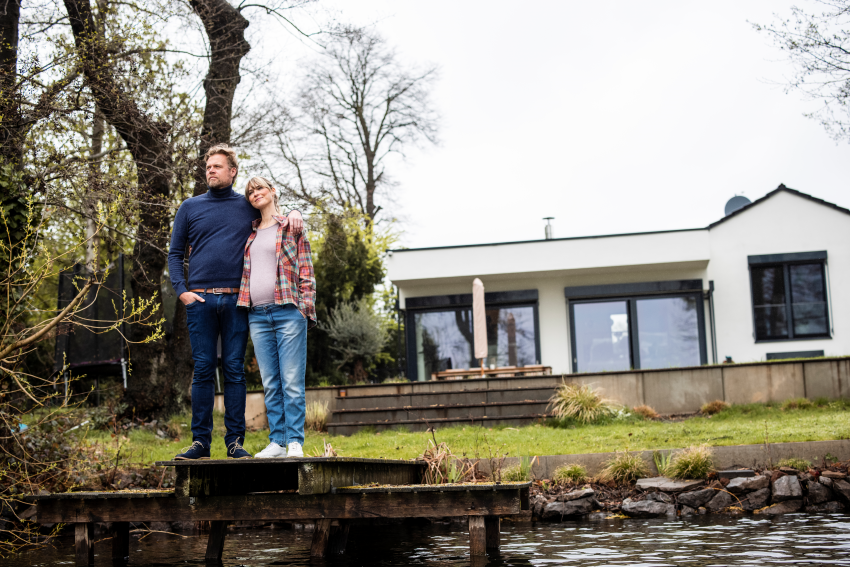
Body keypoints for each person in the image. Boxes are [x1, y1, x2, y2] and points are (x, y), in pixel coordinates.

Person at [169, 145, 303, 460]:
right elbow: (175, 255)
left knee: (234, 370)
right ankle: (200, 443)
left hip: (237, 302)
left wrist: (295, 212)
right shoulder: (189, 207)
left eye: (217, 166)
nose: (211, 171)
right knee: (203, 368)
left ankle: (234, 443)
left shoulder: (246, 206)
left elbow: (275, 215)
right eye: (208, 167)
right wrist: (181, 290)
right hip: (200, 300)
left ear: (233, 171)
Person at [237, 176, 316, 458]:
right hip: (257, 315)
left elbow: (306, 272)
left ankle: (295, 441)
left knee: (292, 380)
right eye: (249, 192)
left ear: (272, 192)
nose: (254, 193)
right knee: (271, 382)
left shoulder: (291, 227)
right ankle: (277, 442)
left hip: (288, 312)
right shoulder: (251, 233)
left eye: (259, 188)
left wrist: (304, 309)